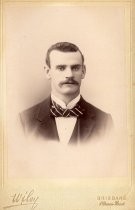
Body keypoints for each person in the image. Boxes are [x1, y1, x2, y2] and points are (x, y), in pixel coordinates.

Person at [20, 42, 113, 145]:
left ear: (83, 71)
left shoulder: (104, 122)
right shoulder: (24, 121)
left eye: (75, 68)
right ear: (48, 72)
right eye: (61, 68)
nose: (69, 75)